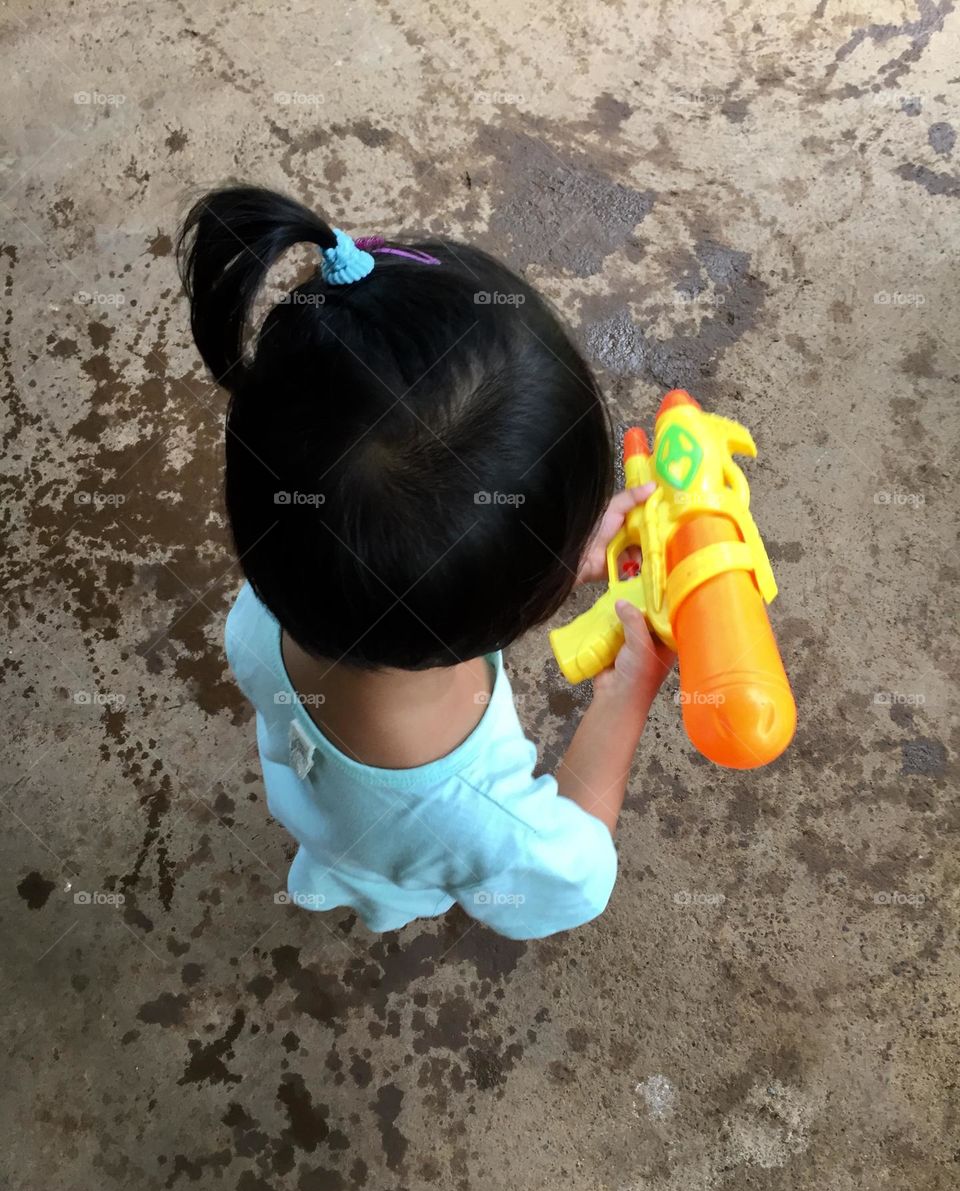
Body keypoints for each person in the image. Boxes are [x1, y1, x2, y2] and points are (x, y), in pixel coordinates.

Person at [176, 185, 673, 940]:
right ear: (522, 601)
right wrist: (625, 696)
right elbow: (575, 867)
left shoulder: (272, 602)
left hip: (319, 790)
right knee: (395, 879)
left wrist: (546, 564)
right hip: (395, 854)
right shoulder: (480, 819)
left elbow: (409, 587)